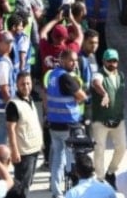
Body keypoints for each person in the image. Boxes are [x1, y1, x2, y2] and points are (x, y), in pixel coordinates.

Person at [46, 48, 88, 198]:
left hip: (54, 124)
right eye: (72, 60)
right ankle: (73, 192)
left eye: (76, 60)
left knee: (58, 158)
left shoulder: (52, 75)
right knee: (72, 160)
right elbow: (82, 96)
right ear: (62, 60)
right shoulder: (66, 77)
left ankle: (57, 192)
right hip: (68, 125)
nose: (75, 63)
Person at [91, 49, 126, 182]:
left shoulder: (121, 76)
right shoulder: (98, 75)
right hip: (100, 120)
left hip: (118, 119)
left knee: (122, 147)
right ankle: (100, 178)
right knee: (99, 149)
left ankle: (111, 171)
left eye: (115, 61)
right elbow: (96, 83)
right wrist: (104, 94)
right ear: (104, 61)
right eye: (109, 61)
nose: (112, 63)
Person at [6, 71, 43, 194]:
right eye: (23, 84)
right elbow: (11, 129)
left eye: (28, 83)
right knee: (22, 186)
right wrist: (14, 151)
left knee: (28, 183)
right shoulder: (13, 104)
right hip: (24, 152)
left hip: (34, 149)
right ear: (16, 85)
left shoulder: (30, 99)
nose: (26, 86)